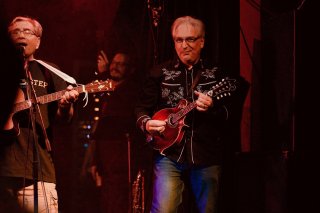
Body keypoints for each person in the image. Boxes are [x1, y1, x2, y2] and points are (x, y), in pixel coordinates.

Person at [135, 16, 247, 212]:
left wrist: (212, 107)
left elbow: (231, 115)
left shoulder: (217, 74)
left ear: (202, 41)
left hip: (206, 154)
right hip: (168, 154)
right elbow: (141, 108)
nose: (184, 45)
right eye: (179, 40)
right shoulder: (158, 73)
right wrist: (146, 123)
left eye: (191, 39)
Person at [0, 16, 79, 212]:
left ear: (38, 42)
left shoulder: (48, 72)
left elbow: (65, 119)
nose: (20, 35)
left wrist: (64, 106)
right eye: (15, 32)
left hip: (37, 174)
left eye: (27, 31)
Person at [89, 50, 144, 212]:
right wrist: (95, 161)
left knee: (118, 199)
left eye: (121, 64)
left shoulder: (131, 91)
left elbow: (119, 113)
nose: (115, 67)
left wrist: (105, 72)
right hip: (105, 156)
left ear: (131, 69)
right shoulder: (107, 89)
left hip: (121, 155)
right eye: (114, 63)